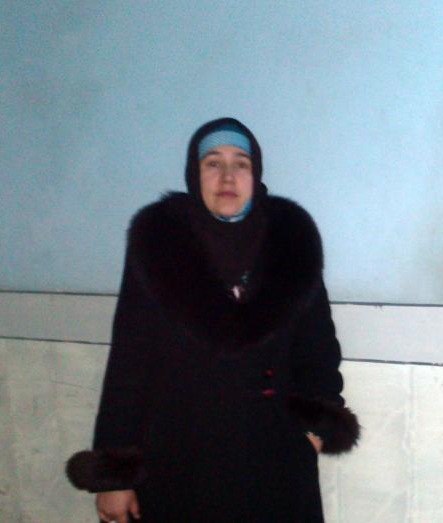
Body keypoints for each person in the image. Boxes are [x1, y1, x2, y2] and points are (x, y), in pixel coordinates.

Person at [66, 117, 360, 523]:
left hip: (274, 460)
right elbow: (129, 364)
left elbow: (318, 348)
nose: (227, 176)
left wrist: (313, 432)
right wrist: (115, 476)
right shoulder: (158, 244)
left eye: (241, 163)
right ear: (195, 173)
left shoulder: (291, 242)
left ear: (255, 173)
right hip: (178, 458)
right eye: (213, 163)